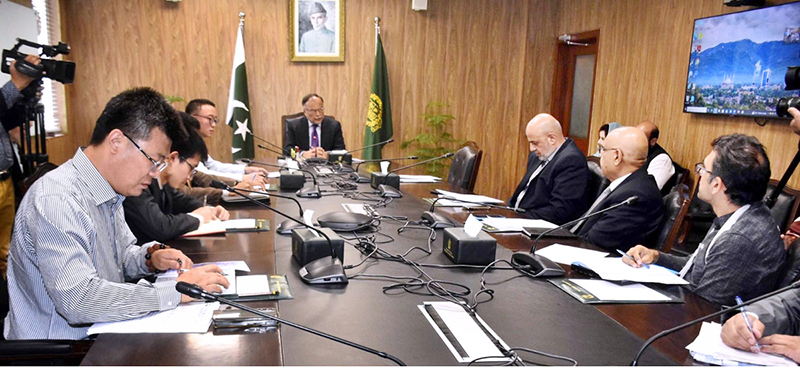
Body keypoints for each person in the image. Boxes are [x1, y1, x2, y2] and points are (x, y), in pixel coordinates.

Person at [4, 87, 230, 340]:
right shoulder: (56, 199)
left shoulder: (108, 190)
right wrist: (176, 292)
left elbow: (118, 257)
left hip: (102, 334)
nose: (156, 174)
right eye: (154, 160)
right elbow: (78, 301)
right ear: (116, 141)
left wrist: (149, 258)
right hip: (60, 352)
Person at [624, 134, 784, 306]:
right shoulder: (738, 214)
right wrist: (655, 257)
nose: (699, 173)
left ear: (716, 184)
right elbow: (697, 266)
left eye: (702, 169)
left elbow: (702, 309)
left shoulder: (739, 239)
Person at [124, 112, 230, 244]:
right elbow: (160, 227)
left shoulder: (162, 183)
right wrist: (198, 217)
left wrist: (210, 210)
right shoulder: (137, 181)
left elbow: (182, 201)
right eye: (191, 168)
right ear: (173, 158)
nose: (188, 177)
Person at [572, 127, 663, 251]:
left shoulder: (636, 196)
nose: (600, 155)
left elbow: (594, 243)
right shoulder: (627, 184)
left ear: (617, 156)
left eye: (602, 150)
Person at [507, 113, 590, 224]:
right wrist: (505, 213)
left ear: (552, 138)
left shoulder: (572, 161)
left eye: (535, 143)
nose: (531, 149)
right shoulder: (538, 156)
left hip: (537, 227)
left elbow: (559, 211)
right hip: (515, 218)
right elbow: (522, 193)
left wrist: (518, 219)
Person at [0, 55, 42, 277]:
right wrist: (17, 82)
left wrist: (27, 92)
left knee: (6, 250)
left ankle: (7, 302)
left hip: (5, 177)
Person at [174, 113, 254, 205]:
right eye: (210, 119)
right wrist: (229, 191)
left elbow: (204, 177)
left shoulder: (192, 151)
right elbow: (183, 192)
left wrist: (236, 184)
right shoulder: (168, 161)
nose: (213, 124)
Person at [184, 99, 268, 183]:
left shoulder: (196, 141)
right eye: (210, 119)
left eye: (215, 120)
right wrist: (242, 178)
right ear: (193, 117)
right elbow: (205, 174)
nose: (213, 125)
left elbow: (213, 166)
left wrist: (245, 170)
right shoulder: (184, 141)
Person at [284, 93, 345, 160]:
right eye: (313, 111)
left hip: (327, 166)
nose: (318, 114)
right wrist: (302, 154)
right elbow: (287, 150)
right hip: (303, 165)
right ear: (305, 112)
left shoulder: (334, 126)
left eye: (320, 109)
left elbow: (341, 150)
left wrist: (328, 155)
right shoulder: (293, 126)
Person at [636, 121, 675, 191]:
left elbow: (649, 189)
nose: (635, 140)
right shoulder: (634, 151)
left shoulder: (662, 159)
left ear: (652, 141)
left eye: (640, 138)